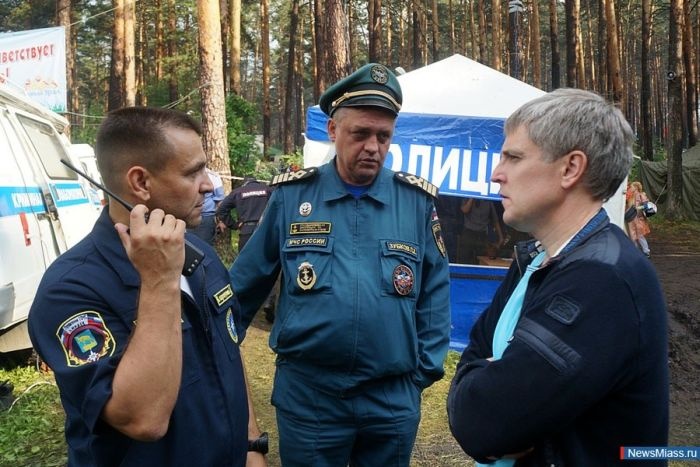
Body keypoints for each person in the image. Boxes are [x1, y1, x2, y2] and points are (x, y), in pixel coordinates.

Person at [230, 63, 451, 466]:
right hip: (311, 397)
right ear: (333, 131)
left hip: (391, 398)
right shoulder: (291, 198)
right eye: (360, 133)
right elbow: (242, 289)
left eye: (384, 136)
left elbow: (435, 293)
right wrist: (216, 353)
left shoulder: (415, 203)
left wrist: (422, 374)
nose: (373, 147)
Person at [28, 107, 268, 466]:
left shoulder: (199, 252)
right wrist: (159, 280)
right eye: (193, 172)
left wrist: (252, 447)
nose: (209, 184)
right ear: (140, 183)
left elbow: (229, 354)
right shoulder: (70, 289)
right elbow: (143, 420)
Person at [447, 89, 668, 466]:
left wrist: (488, 382)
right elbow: (472, 359)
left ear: (570, 168)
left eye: (513, 157)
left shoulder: (602, 279)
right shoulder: (534, 261)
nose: (496, 174)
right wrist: (485, 380)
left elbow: (482, 423)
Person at [216, 176, 276, 321]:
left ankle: (242, 301)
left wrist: (235, 225)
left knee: (245, 268)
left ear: (245, 182)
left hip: (246, 232)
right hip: (266, 230)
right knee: (270, 267)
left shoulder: (238, 192)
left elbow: (221, 210)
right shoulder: (268, 190)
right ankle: (269, 301)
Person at [460, 198, 504, 263]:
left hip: (482, 234)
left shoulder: (488, 201)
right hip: (469, 232)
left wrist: (501, 237)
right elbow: (464, 210)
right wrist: (472, 198)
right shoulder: (467, 197)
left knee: (482, 257)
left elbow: (495, 220)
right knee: (465, 257)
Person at [188, 167, 224, 245]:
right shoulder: (186, 174)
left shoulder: (213, 176)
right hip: (187, 216)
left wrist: (221, 221)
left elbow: (220, 202)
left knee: (204, 246)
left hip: (206, 218)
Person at [626, 181, 652, 257]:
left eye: (632, 187)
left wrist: (638, 207)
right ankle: (635, 252)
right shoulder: (630, 196)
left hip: (639, 218)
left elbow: (646, 206)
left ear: (636, 187)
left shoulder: (641, 195)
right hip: (631, 218)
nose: (631, 188)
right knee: (632, 235)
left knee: (640, 235)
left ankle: (646, 252)